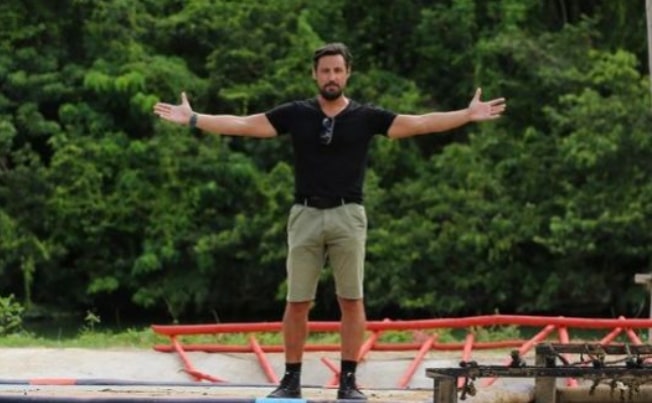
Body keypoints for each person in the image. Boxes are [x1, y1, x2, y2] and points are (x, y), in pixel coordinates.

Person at [153, 42, 506, 400]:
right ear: (315, 74)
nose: (331, 76)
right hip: (305, 214)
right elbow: (244, 123)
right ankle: (290, 381)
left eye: (338, 70)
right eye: (325, 70)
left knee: (351, 300)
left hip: (348, 215)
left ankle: (348, 382)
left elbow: (420, 122)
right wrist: (194, 118)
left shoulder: (365, 116)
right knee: (297, 302)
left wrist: (467, 114)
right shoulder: (297, 113)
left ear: (347, 73)